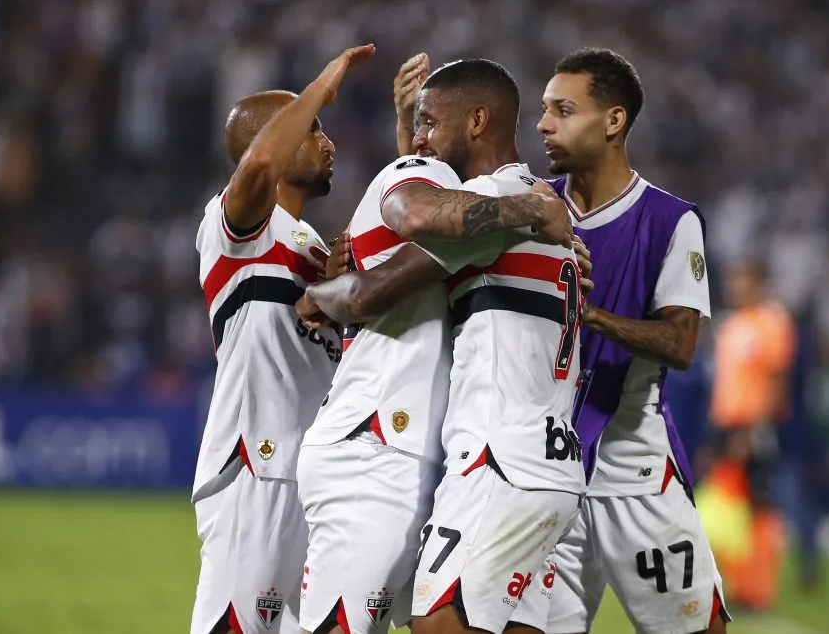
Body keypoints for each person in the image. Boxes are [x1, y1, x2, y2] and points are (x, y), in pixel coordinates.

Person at [297, 58, 587, 634]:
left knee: (435, 622)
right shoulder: (550, 209)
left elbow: (376, 281)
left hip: (496, 460)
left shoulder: (487, 209)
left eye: (431, 122)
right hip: (553, 467)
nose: (421, 137)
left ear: (477, 121)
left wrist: (314, 297)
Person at [512, 48, 729, 634]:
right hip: (542, 472)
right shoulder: (531, 209)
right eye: (543, 110)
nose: (543, 124)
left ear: (613, 121)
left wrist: (593, 316)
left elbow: (681, 345)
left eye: (563, 109)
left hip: (632, 470)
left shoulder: (669, 221)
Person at [190, 44, 374, 634]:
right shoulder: (236, 228)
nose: (328, 142)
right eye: (313, 130)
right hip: (255, 467)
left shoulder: (314, 249)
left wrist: (333, 297)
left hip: (313, 476)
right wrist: (318, 87)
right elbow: (259, 170)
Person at [705, 261, 797, 611]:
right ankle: (733, 583)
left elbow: (777, 379)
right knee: (728, 507)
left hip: (752, 426)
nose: (735, 288)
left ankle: (758, 591)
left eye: (742, 281)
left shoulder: (771, 322)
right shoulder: (731, 324)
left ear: (759, 284)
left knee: (759, 508)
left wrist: (757, 428)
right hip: (726, 425)